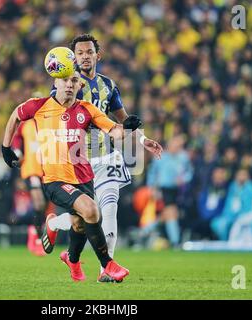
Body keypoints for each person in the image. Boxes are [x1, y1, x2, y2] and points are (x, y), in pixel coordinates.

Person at [1, 66, 147, 282]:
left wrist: (126, 127)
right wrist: (6, 148)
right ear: (55, 83)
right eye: (64, 80)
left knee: (79, 223)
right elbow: (15, 115)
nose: (69, 84)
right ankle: (108, 265)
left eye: (74, 81)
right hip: (54, 180)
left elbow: (113, 131)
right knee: (91, 210)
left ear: (80, 85)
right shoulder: (39, 106)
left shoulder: (86, 109)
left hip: (84, 177)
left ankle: (72, 258)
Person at [42, 34, 163, 282]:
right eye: (80, 52)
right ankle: (55, 226)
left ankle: (104, 271)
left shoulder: (108, 85)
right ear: (73, 57)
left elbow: (123, 119)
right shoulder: (64, 84)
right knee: (82, 219)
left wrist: (142, 139)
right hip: (75, 161)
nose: (85, 56)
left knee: (108, 209)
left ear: (98, 55)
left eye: (89, 52)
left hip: (105, 157)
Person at [146, 135, 193, 246]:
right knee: (171, 212)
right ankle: (175, 241)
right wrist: (152, 188)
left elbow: (190, 173)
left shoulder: (183, 157)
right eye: (175, 145)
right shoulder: (160, 157)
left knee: (168, 214)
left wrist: (183, 179)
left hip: (179, 190)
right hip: (164, 189)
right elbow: (152, 174)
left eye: (179, 146)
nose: (177, 148)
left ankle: (144, 231)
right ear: (169, 145)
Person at [12, 119, 47, 255]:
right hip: (31, 168)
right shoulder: (26, 125)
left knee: (44, 205)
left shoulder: (49, 122)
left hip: (48, 170)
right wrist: (18, 154)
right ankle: (38, 239)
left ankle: (34, 230)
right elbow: (16, 140)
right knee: (38, 203)